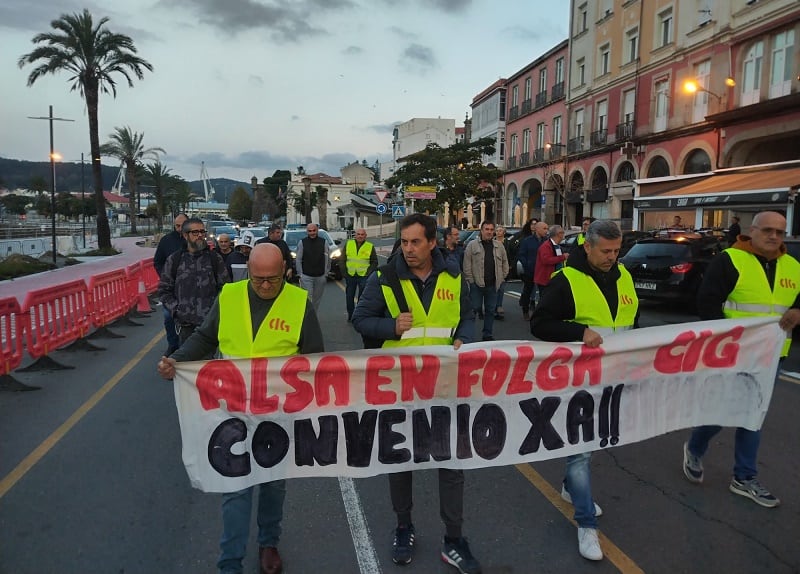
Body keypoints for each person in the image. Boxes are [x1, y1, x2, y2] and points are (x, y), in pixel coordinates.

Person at [157, 243, 324, 574]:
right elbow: (205, 338)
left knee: (274, 483)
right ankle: (230, 562)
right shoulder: (230, 296)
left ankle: (268, 543)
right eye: (257, 278)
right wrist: (176, 360)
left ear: (286, 273)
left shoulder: (299, 303)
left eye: (272, 280)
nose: (264, 286)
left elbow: (316, 358)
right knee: (235, 488)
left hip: (278, 413)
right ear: (248, 271)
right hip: (232, 410)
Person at [351, 213, 481, 574]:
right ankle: (403, 526)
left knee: (451, 463)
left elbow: (467, 316)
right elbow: (361, 319)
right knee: (402, 460)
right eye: (404, 242)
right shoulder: (386, 278)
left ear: (432, 243)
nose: (408, 249)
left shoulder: (453, 277)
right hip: (400, 388)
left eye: (415, 242)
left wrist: (465, 338)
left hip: (445, 385)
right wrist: (390, 325)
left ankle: (454, 539)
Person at [531, 219, 639, 562]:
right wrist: (580, 333)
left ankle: (569, 486)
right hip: (577, 381)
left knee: (593, 444)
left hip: (614, 376)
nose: (612, 257)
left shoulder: (624, 276)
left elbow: (633, 321)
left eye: (616, 250)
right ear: (587, 247)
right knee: (581, 449)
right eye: (605, 251)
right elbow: (540, 323)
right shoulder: (566, 280)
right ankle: (586, 524)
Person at [682, 210, 800, 508]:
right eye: (768, 230)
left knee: (753, 415)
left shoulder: (793, 266)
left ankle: (744, 477)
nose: (774, 236)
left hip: (772, 357)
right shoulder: (730, 260)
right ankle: (695, 447)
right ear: (752, 230)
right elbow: (707, 303)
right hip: (733, 356)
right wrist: (724, 342)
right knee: (725, 413)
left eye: (780, 232)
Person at [158, 217, 230, 347]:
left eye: (202, 232)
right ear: (185, 235)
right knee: (187, 362)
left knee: (210, 365)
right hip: (186, 326)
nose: (200, 236)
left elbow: (225, 289)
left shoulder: (215, 259)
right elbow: (164, 290)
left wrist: (216, 311)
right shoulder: (175, 260)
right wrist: (177, 310)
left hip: (211, 325)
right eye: (195, 232)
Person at [463, 220, 508, 341]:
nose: (489, 232)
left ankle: (487, 334)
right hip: (476, 285)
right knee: (474, 310)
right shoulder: (472, 245)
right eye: (486, 229)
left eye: (491, 230)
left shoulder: (499, 246)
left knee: (490, 311)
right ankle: (467, 335)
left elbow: (504, 262)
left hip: (493, 285)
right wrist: (471, 281)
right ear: (481, 231)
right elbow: (467, 264)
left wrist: (502, 277)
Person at [153, 212, 188, 355]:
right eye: (177, 226)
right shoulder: (166, 241)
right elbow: (157, 261)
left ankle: (189, 346)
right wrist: (165, 277)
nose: (179, 228)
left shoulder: (194, 240)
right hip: (171, 288)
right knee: (169, 318)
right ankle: (173, 345)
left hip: (191, 289)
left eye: (182, 225)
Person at [338, 228, 378, 322]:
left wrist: (368, 273)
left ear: (365, 236)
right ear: (355, 235)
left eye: (362, 234)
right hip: (350, 275)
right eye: (358, 234)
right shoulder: (349, 244)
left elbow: (374, 262)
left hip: (363, 276)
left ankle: (359, 315)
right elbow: (342, 259)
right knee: (349, 296)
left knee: (362, 297)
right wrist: (344, 273)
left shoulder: (370, 246)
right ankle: (351, 315)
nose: (360, 236)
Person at [517, 220, 548, 320]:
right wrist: (527, 265)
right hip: (530, 271)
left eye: (547, 228)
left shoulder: (547, 241)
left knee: (544, 293)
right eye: (544, 228)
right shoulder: (527, 240)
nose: (546, 231)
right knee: (528, 291)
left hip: (543, 271)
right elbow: (521, 254)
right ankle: (525, 310)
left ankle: (540, 313)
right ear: (537, 229)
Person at [296, 223, 329, 313]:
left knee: (316, 300)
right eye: (310, 231)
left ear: (317, 230)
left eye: (314, 230)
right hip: (306, 276)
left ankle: (313, 317)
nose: (312, 233)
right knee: (308, 299)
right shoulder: (302, 243)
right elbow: (298, 259)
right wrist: (300, 274)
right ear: (307, 231)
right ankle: (307, 318)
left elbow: (327, 258)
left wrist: (325, 273)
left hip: (320, 276)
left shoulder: (324, 242)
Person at [534, 225, 569, 297]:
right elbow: (546, 260)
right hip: (545, 279)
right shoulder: (546, 246)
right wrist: (563, 257)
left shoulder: (557, 245)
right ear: (558, 234)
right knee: (545, 300)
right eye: (562, 232)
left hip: (555, 278)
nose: (564, 234)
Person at [493, 226, 510, 320]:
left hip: (503, 269)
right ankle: (493, 306)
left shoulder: (507, 243)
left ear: (504, 232)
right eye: (497, 231)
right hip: (492, 269)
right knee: (493, 289)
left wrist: (510, 266)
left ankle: (499, 306)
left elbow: (511, 254)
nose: (498, 232)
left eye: (500, 231)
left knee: (501, 288)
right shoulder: (492, 241)